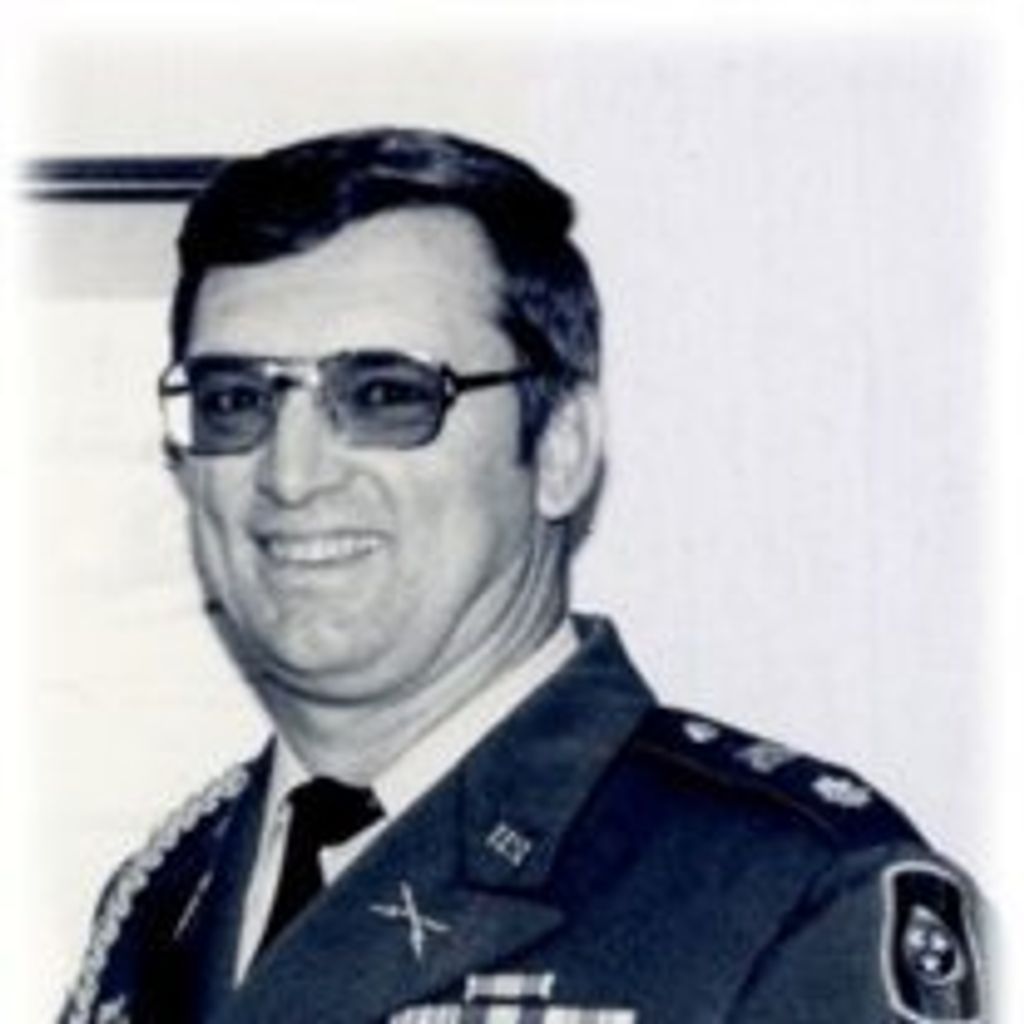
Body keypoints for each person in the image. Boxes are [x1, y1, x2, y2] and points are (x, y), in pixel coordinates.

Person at [61, 128, 987, 1024]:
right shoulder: (165, 897)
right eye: (234, 401)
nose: (291, 476)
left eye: (385, 395)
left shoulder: (790, 895)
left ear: (559, 450)